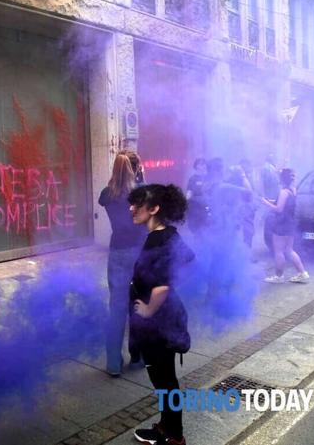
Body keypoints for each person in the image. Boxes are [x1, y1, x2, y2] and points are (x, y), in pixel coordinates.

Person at [128, 184, 193, 445]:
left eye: (138, 204)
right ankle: (168, 426)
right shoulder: (170, 235)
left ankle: (173, 435)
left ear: (155, 209)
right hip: (168, 320)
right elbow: (188, 259)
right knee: (167, 380)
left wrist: (147, 310)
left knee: (164, 381)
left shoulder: (158, 239)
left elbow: (162, 285)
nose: (132, 209)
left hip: (158, 325)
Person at [98, 152, 146, 377]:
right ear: (135, 169)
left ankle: (113, 363)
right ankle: (137, 357)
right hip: (138, 253)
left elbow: (105, 197)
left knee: (116, 308)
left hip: (117, 251)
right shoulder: (140, 193)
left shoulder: (108, 193)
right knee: (138, 305)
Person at [261, 169, 309, 283]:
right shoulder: (293, 190)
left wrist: (265, 202)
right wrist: (273, 201)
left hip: (281, 224)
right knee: (289, 250)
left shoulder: (283, 192)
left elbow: (279, 209)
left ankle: (279, 276)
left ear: (281, 179)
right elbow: (287, 203)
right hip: (290, 223)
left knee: (279, 251)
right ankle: (303, 273)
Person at [260, 154, 279, 253]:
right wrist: (264, 196)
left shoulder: (272, 168)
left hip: (272, 196)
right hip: (270, 196)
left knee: (270, 218)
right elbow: (262, 183)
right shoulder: (266, 168)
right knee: (269, 218)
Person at [185, 158, 208, 234]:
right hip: (197, 209)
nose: (204, 166)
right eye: (201, 164)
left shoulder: (209, 177)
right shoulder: (193, 179)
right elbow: (189, 193)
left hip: (208, 209)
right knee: (198, 232)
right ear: (196, 166)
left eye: (204, 164)